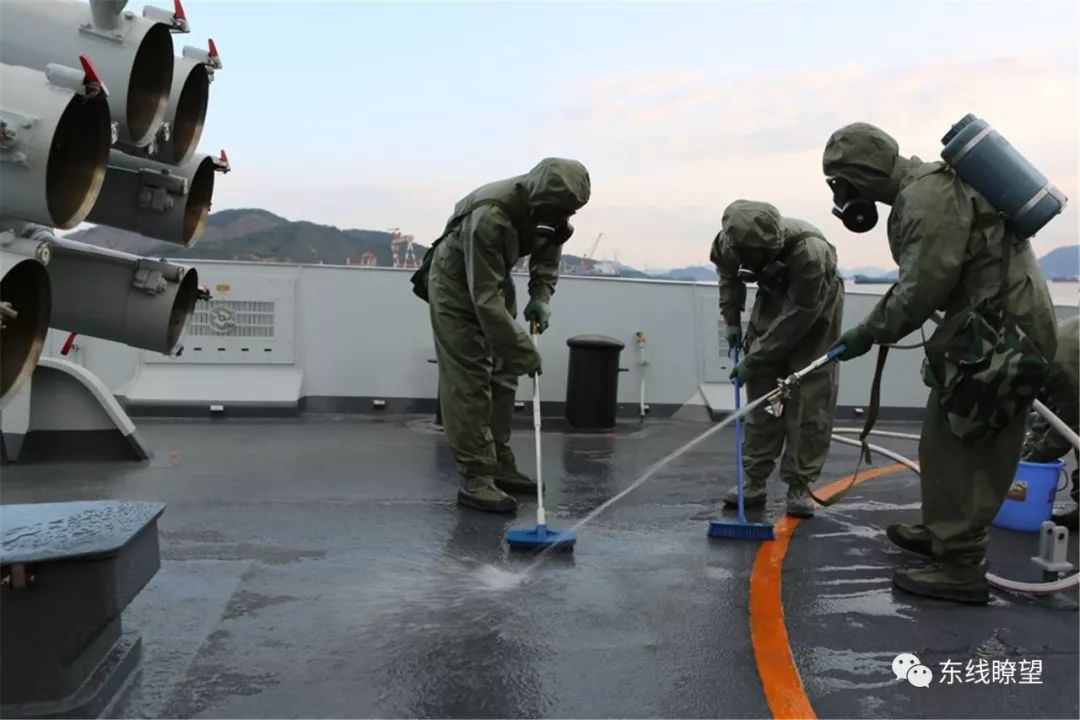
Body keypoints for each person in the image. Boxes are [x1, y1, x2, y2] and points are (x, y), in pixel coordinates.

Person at [822, 122, 1058, 604]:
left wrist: (866, 333)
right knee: (942, 436)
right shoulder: (927, 188)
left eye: (842, 182)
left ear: (861, 176)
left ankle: (960, 566)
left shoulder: (924, 196)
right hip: (984, 328)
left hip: (1003, 334)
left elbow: (922, 286)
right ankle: (942, 532)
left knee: (970, 451)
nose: (843, 197)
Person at [419, 158, 590, 513]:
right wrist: (522, 350)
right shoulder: (491, 215)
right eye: (557, 211)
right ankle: (475, 478)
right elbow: (483, 298)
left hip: (494, 276)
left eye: (568, 212)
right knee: (468, 379)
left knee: (503, 373)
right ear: (535, 196)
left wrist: (541, 297)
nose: (562, 218)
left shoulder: (554, 211)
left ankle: (498, 462)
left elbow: (548, 253)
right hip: (454, 281)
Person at [710, 200, 844, 518]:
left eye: (754, 256)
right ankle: (754, 481)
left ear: (771, 247)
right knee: (762, 396)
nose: (745, 261)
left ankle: (799, 484)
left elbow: (798, 317)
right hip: (772, 296)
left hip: (815, 307)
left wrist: (754, 358)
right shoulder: (729, 242)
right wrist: (731, 320)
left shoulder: (811, 254)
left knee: (808, 398)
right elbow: (729, 278)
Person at [1022, 316, 1079, 530]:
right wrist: (1030, 447)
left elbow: (1071, 427)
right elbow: (1047, 412)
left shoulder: (1061, 366)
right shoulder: (1042, 360)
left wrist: (1037, 456)